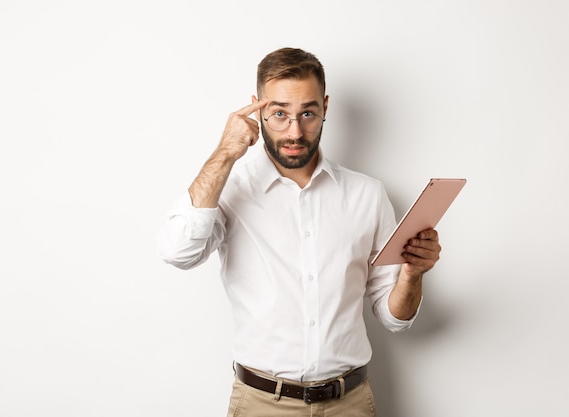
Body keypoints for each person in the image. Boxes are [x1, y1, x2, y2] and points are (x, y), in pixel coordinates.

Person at [157, 47, 441, 417]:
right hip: (261, 405)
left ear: (325, 107)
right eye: (279, 114)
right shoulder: (230, 188)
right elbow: (178, 252)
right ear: (256, 109)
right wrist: (225, 154)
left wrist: (413, 274)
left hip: (350, 404)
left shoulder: (367, 194)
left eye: (307, 113)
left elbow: (394, 318)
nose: (295, 131)